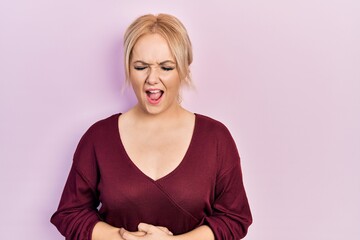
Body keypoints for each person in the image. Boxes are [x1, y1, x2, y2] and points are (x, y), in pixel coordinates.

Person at [51, 13, 252, 240]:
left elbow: (234, 218)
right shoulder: (98, 138)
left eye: (166, 67)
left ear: (184, 69)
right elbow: (70, 214)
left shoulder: (216, 138)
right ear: (128, 68)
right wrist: (123, 237)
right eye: (141, 67)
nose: (152, 79)